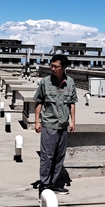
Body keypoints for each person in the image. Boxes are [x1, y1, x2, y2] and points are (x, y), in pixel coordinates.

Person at [34, 55, 78, 194]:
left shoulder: (70, 82)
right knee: (47, 156)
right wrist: (37, 121)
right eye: (51, 66)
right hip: (49, 124)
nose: (52, 69)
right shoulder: (45, 82)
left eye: (56, 66)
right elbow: (39, 102)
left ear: (64, 67)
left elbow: (72, 103)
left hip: (63, 125)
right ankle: (44, 184)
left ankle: (54, 183)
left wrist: (73, 121)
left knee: (59, 156)